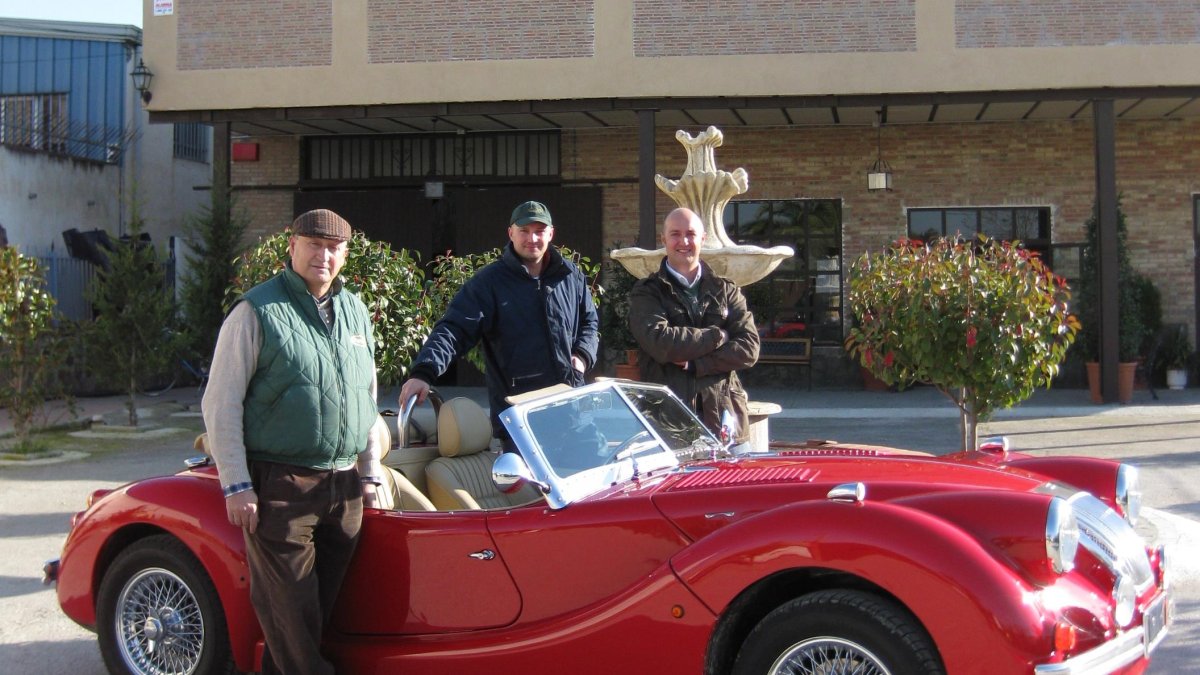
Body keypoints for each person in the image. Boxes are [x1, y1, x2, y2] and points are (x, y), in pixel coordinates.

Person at [202, 208, 383, 675]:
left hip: (344, 488)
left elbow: (364, 396)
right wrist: (236, 484)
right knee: (294, 615)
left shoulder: (356, 310)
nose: (324, 255)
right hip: (282, 486)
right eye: (314, 244)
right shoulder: (256, 311)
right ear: (292, 246)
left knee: (309, 617)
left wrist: (369, 472)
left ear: (345, 253)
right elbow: (221, 403)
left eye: (334, 247)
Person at [398, 200, 600, 448]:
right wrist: (424, 372)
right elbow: (454, 330)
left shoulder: (570, 275)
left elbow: (590, 322)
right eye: (524, 231)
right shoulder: (489, 284)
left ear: (551, 233)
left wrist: (581, 356)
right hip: (521, 418)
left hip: (574, 410)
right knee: (530, 487)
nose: (532, 238)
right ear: (511, 233)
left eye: (539, 231)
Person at [628, 207, 760, 448]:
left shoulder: (726, 290)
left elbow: (749, 348)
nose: (684, 241)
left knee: (735, 486)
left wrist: (696, 364)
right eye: (675, 234)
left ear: (703, 238)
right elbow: (660, 342)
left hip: (726, 423)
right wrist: (718, 336)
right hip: (668, 425)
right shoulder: (647, 292)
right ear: (664, 239)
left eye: (690, 234)